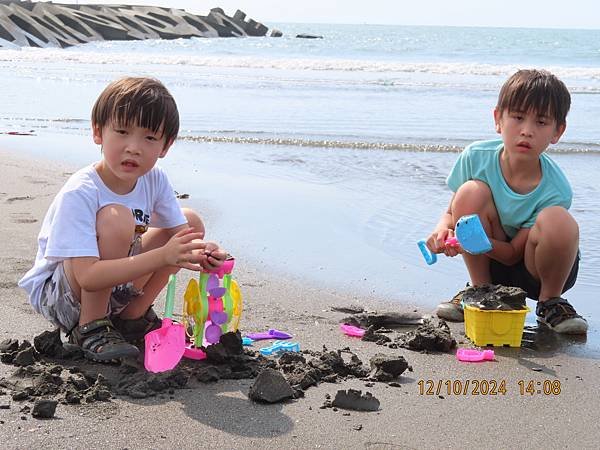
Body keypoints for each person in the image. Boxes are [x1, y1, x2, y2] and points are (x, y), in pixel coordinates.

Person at [19, 77, 229, 360]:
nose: (134, 147)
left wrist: (208, 253)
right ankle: (92, 327)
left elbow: (183, 239)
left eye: (150, 138)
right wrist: (163, 256)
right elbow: (88, 276)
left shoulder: (154, 180)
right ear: (98, 132)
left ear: (165, 147)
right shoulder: (82, 191)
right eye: (121, 131)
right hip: (63, 295)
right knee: (116, 219)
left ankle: (132, 318)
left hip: (113, 283)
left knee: (190, 225)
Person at [426, 69, 587, 334]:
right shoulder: (476, 157)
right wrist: (442, 231)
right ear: (498, 119)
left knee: (558, 220)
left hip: (538, 269)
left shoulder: (555, 188)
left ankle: (551, 304)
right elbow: (450, 212)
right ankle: (480, 291)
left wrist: (476, 241)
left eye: (542, 122)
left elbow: (513, 255)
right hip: (489, 266)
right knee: (470, 192)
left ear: (558, 131)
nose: (527, 131)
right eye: (518, 117)